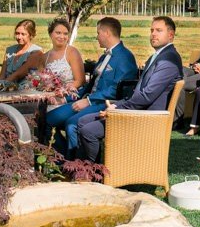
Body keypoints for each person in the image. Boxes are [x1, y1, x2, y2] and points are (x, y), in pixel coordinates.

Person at [76, 16, 183, 163]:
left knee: (88, 130)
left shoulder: (168, 60)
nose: (153, 34)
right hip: (137, 110)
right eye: (152, 30)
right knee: (82, 121)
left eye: (159, 30)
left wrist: (117, 108)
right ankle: (83, 169)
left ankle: (94, 173)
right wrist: (117, 105)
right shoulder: (158, 56)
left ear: (170, 35)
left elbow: (146, 96)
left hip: (146, 119)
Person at [47, 17, 137, 159]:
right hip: (88, 99)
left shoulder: (125, 57)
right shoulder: (104, 57)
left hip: (104, 103)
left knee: (71, 124)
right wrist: (67, 98)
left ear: (106, 33)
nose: (97, 37)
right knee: (48, 119)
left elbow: (117, 90)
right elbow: (90, 85)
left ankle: (74, 163)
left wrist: (89, 100)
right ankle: (64, 158)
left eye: (98, 33)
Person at [5, 18, 85, 106]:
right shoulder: (44, 57)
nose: (62, 37)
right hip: (48, 98)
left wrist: (62, 91)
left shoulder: (72, 52)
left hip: (69, 98)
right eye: (58, 33)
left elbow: (80, 80)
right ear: (51, 34)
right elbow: (38, 81)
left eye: (65, 34)